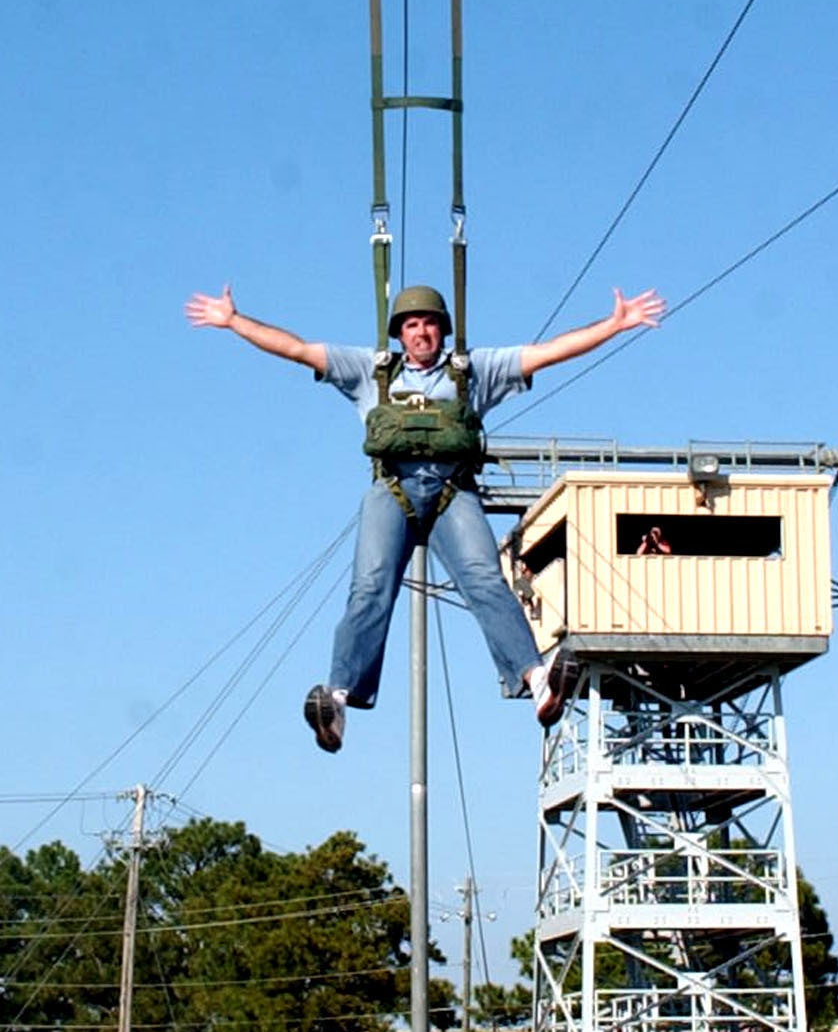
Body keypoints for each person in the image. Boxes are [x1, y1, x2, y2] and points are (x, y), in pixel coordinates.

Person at [186, 280, 666, 754]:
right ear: (399, 333)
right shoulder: (372, 372)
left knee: (484, 579)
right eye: (412, 325)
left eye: (430, 324)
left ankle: (537, 680)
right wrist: (233, 322)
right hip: (392, 488)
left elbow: (545, 354)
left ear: (443, 330)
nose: (422, 333)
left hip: (451, 491)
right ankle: (337, 700)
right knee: (370, 586)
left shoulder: (470, 372)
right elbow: (296, 349)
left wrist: (614, 325)